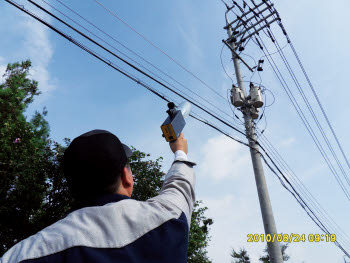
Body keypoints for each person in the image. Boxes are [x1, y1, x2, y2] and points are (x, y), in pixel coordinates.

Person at [1, 129, 196, 263]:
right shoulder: (169, 218)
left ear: (73, 188)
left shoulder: (21, 255)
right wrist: (180, 151)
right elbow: (180, 183)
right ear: (126, 177)